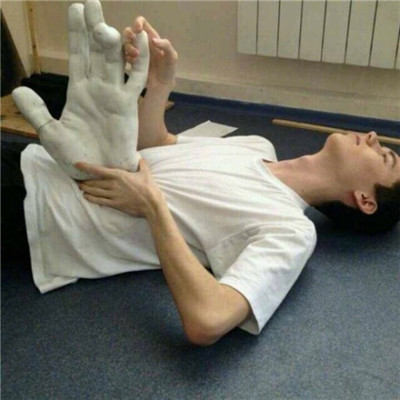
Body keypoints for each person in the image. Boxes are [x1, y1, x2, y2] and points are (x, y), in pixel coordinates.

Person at [3, 2, 400, 346]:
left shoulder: (292, 231)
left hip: (40, 214)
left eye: (385, 157)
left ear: (365, 200)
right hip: (39, 161)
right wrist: (160, 82)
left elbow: (209, 320)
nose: (372, 137)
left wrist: (152, 206)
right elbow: (155, 144)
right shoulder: (259, 146)